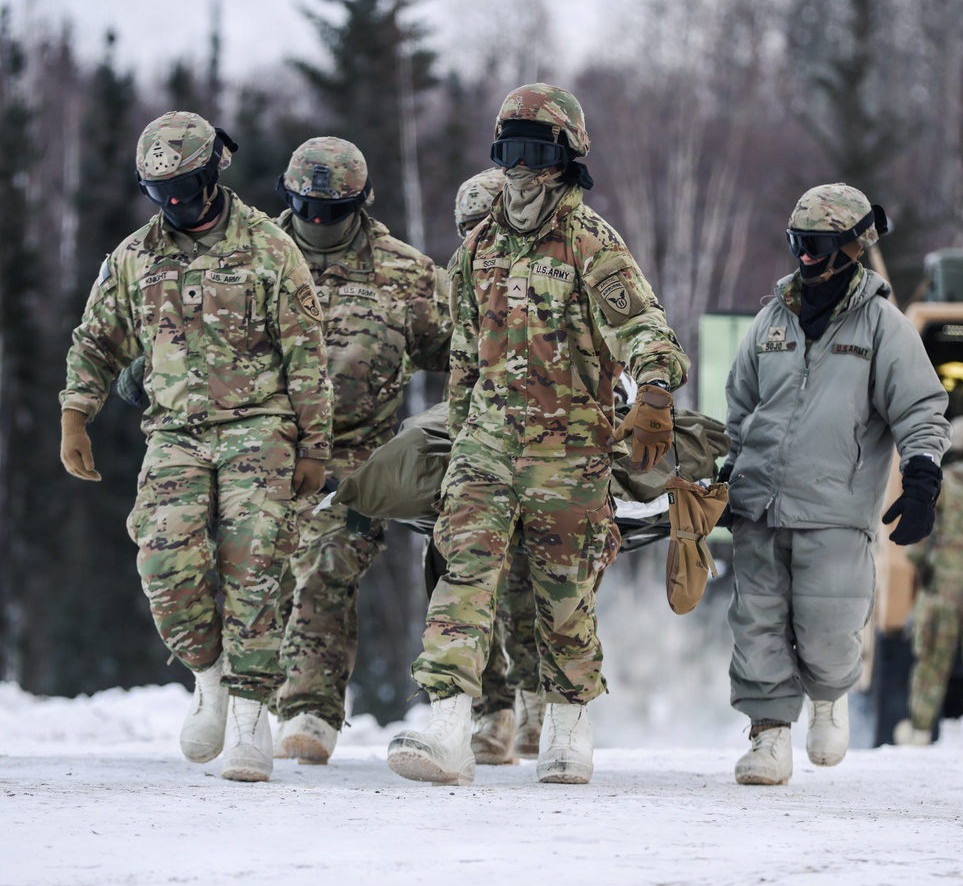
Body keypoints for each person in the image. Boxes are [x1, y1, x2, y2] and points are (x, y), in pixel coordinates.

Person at [387, 84, 689, 787]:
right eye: (509, 151)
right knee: (462, 573)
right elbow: (465, 356)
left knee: (563, 597)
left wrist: (652, 393)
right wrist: (458, 438)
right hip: (486, 447)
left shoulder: (591, 243)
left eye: (535, 151)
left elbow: (646, 329)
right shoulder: (477, 251)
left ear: (565, 159)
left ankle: (566, 724)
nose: (521, 169)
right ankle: (447, 723)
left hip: (569, 452)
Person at [60, 112, 331, 782]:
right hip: (176, 430)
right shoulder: (133, 258)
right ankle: (209, 676)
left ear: (213, 172)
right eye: (162, 191)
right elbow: (96, 341)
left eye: (186, 186)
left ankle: (248, 715)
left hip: (259, 424)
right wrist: (75, 413)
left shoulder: (269, 246)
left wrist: (314, 444)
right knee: (164, 558)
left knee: (255, 560)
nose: (177, 203)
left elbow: (306, 350)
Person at [724, 183, 950, 785]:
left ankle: (829, 696)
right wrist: (725, 473)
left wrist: (923, 476)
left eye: (818, 244)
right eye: (798, 242)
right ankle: (769, 737)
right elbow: (740, 406)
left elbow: (921, 409)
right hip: (758, 505)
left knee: (827, 625)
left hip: (835, 508)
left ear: (853, 247)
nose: (804, 256)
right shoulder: (772, 319)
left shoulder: (882, 327)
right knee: (758, 624)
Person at [273, 137, 452, 763]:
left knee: (324, 558)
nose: (317, 223)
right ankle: (226, 695)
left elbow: (478, 350)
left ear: (360, 204)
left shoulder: (405, 275)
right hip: (257, 454)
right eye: (306, 209)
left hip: (357, 467)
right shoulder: (253, 261)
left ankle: (308, 713)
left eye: (333, 211)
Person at [450, 168, 545, 765]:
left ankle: (537, 704)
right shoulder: (461, 277)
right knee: (463, 582)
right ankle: (493, 712)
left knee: (534, 590)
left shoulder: (558, 271)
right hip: (479, 444)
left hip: (549, 448)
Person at [895, 415, 963, 749]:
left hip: (946, 587)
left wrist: (922, 571)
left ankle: (921, 730)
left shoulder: (943, 485)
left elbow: (921, 539)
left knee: (932, 659)